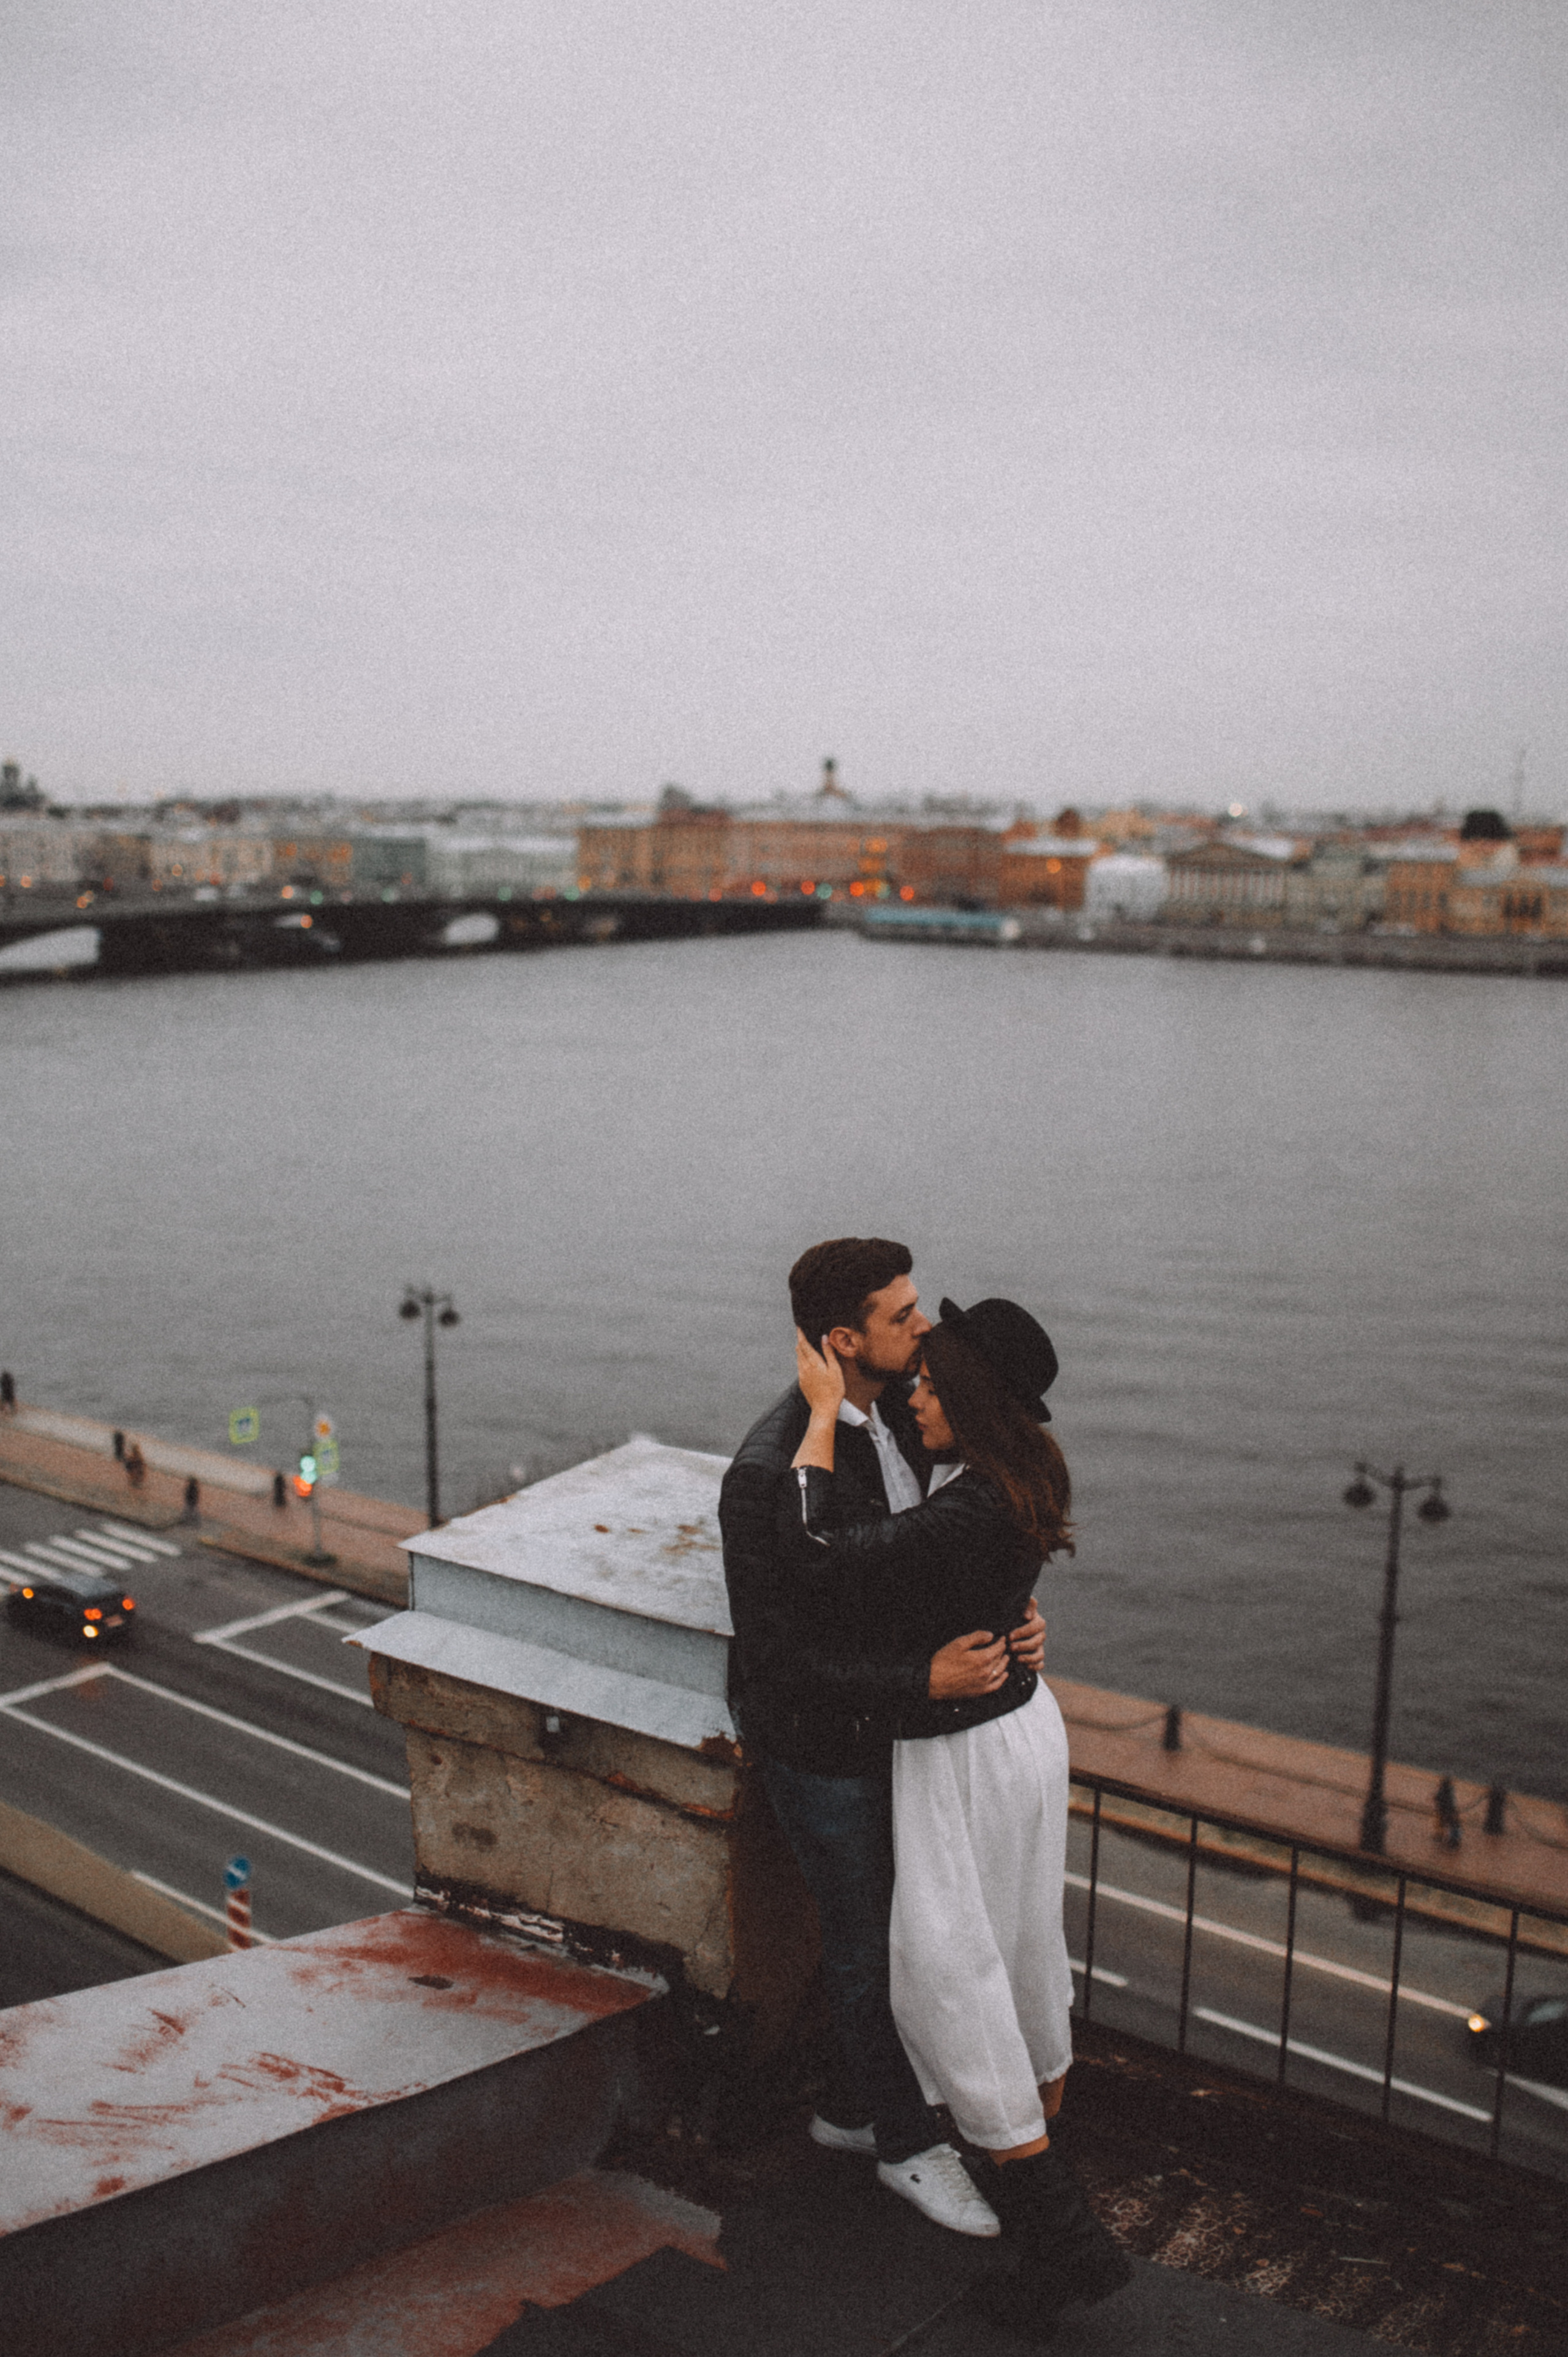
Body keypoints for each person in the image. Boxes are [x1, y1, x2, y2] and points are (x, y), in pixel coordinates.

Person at [782, 1297, 1131, 2334]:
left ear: (970, 1401)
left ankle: (1072, 2253)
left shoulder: (970, 1503)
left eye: (931, 1384)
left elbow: (814, 1551)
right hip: (1021, 1733)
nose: (914, 1394)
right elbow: (973, 1567)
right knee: (1020, 1956)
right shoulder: (1016, 1475)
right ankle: (1046, 2227)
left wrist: (816, 1417)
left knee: (944, 1980)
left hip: (967, 1757)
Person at [720, 1238, 1047, 2241]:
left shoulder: (911, 1420)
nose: (924, 1332)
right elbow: (774, 1665)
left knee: (911, 1942)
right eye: (903, 1317)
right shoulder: (770, 1470)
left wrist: (1015, 1619)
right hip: (827, 1752)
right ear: (843, 1338)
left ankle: (860, 2109)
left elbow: (938, 1558)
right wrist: (921, 1679)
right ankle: (903, 2147)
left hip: (900, 1738)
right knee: (867, 1950)